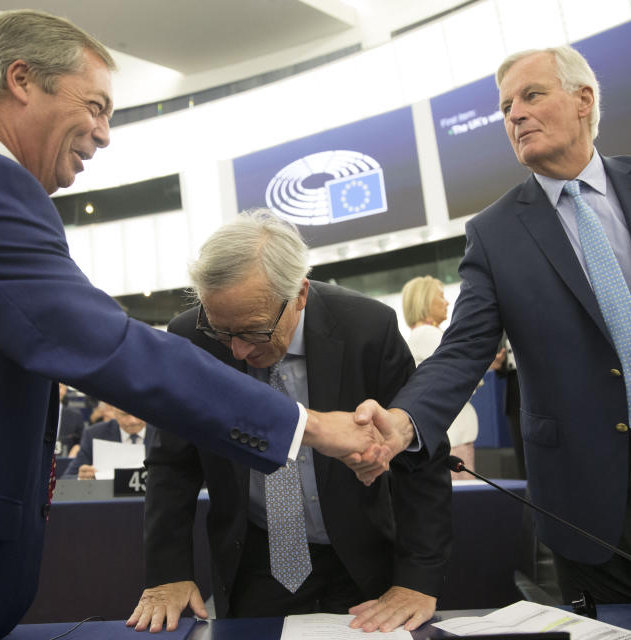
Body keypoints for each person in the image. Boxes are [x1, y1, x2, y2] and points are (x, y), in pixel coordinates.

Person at [0, 11, 387, 640]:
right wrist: (308, 425)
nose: (104, 134)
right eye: (96, 106)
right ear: (21, 80)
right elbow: (107, 346)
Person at [356, 45, 631, 604]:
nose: (514, 114)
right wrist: (405, 420)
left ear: (584, 100)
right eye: (506, 106)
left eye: (531, 96)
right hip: (587, 497)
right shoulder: (494, 233)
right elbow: (463, 350)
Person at [127, 210, 451, 634]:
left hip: (361, 564)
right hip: (254, 563)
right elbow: (172, 463)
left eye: (255, 332)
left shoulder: (367, 329)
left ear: (299, 294)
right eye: (223, 332)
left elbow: (421, 458)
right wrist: (168, 570)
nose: (238, 352)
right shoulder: (190, 338)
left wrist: (416, 580)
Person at [401, 275, 479, 479]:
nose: (447, 302)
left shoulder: (421, 335)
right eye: (441, 296)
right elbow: (463, 378)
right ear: (425, 300)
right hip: (453, 437)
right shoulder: (429, 335)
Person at [64, 404, 148, 478]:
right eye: (125, 415)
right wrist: (81, 477)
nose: (133, 421)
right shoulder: (94, 434)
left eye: (138, 414)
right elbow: (67, 478)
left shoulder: (160, 432)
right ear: (115, 412)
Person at [57, 383, 85, 457]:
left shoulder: (75, 416)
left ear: (65, 390)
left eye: (59, 387)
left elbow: (82, 442)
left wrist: (76, 450)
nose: (56, 391)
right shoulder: (37, 413)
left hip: (65, 462)